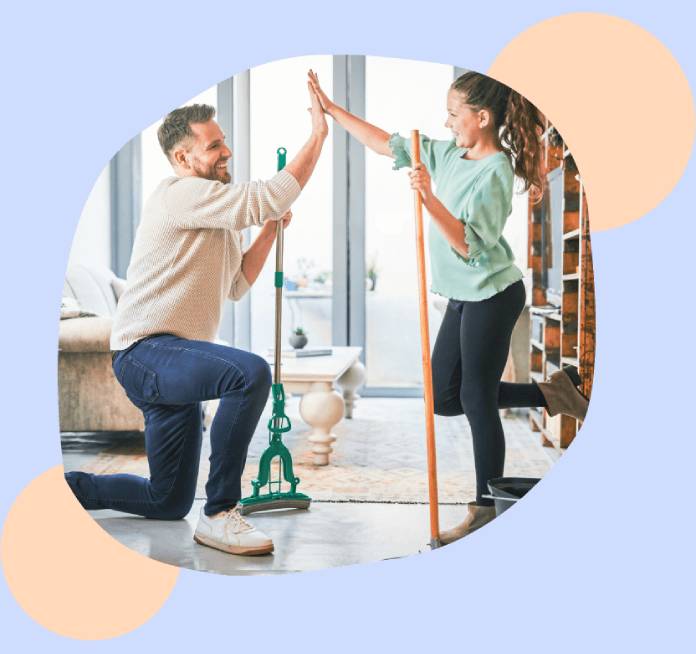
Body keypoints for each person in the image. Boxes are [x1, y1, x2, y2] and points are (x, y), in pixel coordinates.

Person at [308, 69, 588, 543]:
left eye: (455, 113)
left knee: (477, 399)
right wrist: (333, 111)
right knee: (444, 395)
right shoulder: (446, 152)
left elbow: (467, 245)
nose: (448, 120)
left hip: (495, 294)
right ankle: (551, 395)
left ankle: (485, 507)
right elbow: (385, 144)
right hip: (465, 294)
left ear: (481, 117)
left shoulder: (496, 169)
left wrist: (428, 197)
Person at [65, 83, 329, 556]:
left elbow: (237, 283)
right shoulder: (181, 193)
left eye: (224, 140)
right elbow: (266, 196)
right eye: (214, 146)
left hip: (174, 359)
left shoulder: (214, 214)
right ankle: (219, 514)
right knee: (249, 373)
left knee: (166, 500)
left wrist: (269, 228)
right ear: (183, 159)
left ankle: (64, 489)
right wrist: (318, 134)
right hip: (145, 352)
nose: (226, 151)